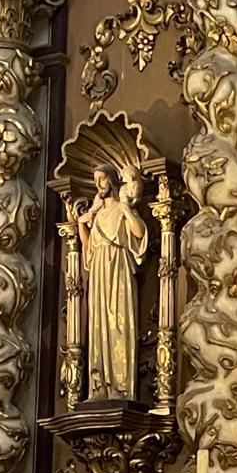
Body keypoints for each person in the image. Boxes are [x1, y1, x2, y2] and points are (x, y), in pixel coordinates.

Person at [77, 162, 149, 400]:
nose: (99, 185)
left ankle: (120, 385)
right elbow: (88, 253)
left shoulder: (121, 208)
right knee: (99, 327)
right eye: (96, 180)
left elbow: (138, 233)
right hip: (99, 272)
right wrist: (81, 224)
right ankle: (99, 386)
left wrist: (126, 208)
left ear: (112, 181)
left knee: (118, 324)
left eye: (102, 179)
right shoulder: (97, 218)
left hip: (117, 270)